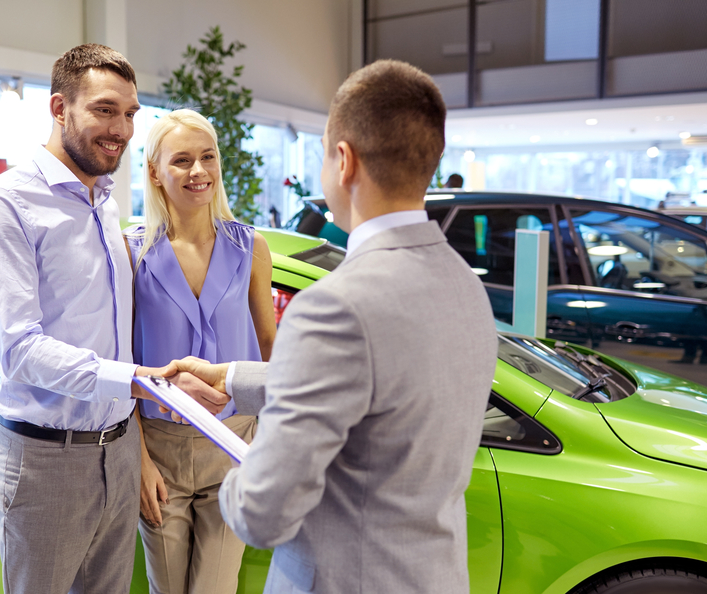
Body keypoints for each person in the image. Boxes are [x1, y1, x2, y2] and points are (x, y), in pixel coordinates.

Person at [174, 60, 497, 593]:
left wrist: (224, 480)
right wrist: (230, 378)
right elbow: (379, 384)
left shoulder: (336, 306)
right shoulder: (464, 283)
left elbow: (262, 512)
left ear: (343, 161)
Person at [0, 44, 178, 594]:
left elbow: (114, 330)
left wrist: (135, 443)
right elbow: (18, 349)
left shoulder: (102, 202)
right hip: (45, 461)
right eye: (105, 110)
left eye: (131, 113)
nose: (123, 129)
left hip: (119, 450)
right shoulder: (6, 204)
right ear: (60, 108)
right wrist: (131, 379)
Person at [125, 109, 276, 594]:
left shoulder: (251, 248)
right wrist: (140, 460)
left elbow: (272, 353)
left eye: (207, 157)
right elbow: (121, 364)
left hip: (235, 445)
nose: (198, 172)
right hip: (159, 447)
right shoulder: (131, 253)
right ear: (154, 171)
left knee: (214, 588)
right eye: (182, 160)